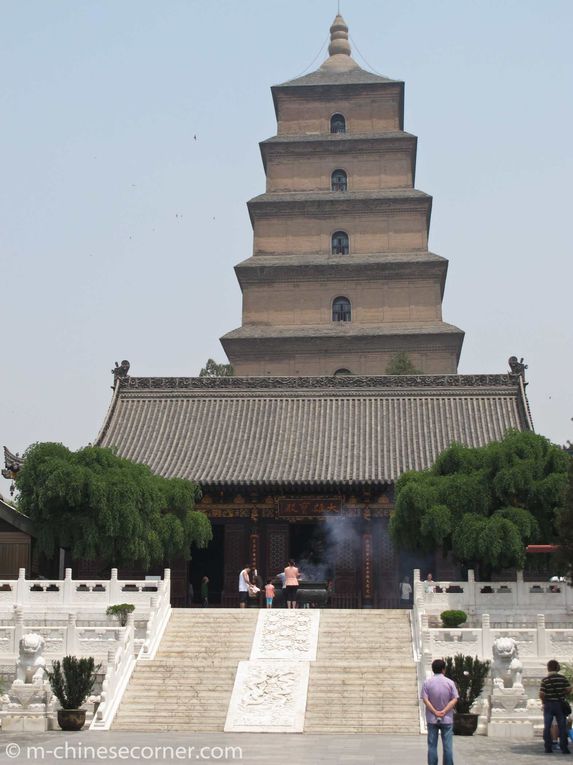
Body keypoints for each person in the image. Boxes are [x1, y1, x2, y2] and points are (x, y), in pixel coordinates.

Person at [421, 658, 458, 765]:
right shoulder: (450, 683)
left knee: (432, 746)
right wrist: (444, 711)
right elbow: (455, 699)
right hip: (447, 718)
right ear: (443, 669)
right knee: (448, 747)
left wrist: (435, 712)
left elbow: (425, 699)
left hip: (432, 719)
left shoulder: (427, 683)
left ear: (433, 670)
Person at [540, 659, 572, 754]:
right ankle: (564, 748)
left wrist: (544, 702)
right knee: (562, 726)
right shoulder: (562, 678)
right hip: (559, 704)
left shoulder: (545, 680)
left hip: (549, 704)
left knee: (548, 726)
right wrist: (563, 693)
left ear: (548, 668)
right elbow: (569, 689)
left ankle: (548, 747)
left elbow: (541, 694)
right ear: (557, 668)